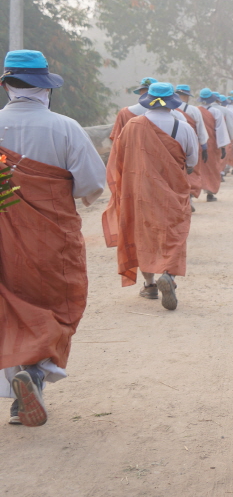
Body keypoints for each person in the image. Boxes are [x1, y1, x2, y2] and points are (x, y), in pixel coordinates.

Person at [0, 49, 106, 427]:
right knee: (58, 306)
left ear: (7, 85)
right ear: (46, 88)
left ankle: (20, 391)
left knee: (11, 308)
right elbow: (92, 183)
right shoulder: (65, 127)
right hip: (52, 237)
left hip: (4, 237)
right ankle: (37, 376)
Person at [102, 82, 198, 312]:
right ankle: (169, 275)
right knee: (174, 231)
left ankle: (150, 284)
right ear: (173, 100)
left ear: (147, 98)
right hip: (172, 191)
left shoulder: (133, 125)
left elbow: (118, 159)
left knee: (142, 232)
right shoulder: (182, 126)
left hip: (139, 190)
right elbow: (192, 162)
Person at [197, 88, 229, 202]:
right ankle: (210, 194)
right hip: (212, 144)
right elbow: (220, 130)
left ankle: (191, 193)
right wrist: (223, 147)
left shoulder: (195, 110)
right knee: (212, 168)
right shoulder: (216, 112)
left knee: (197, 168)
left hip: (198, 144)